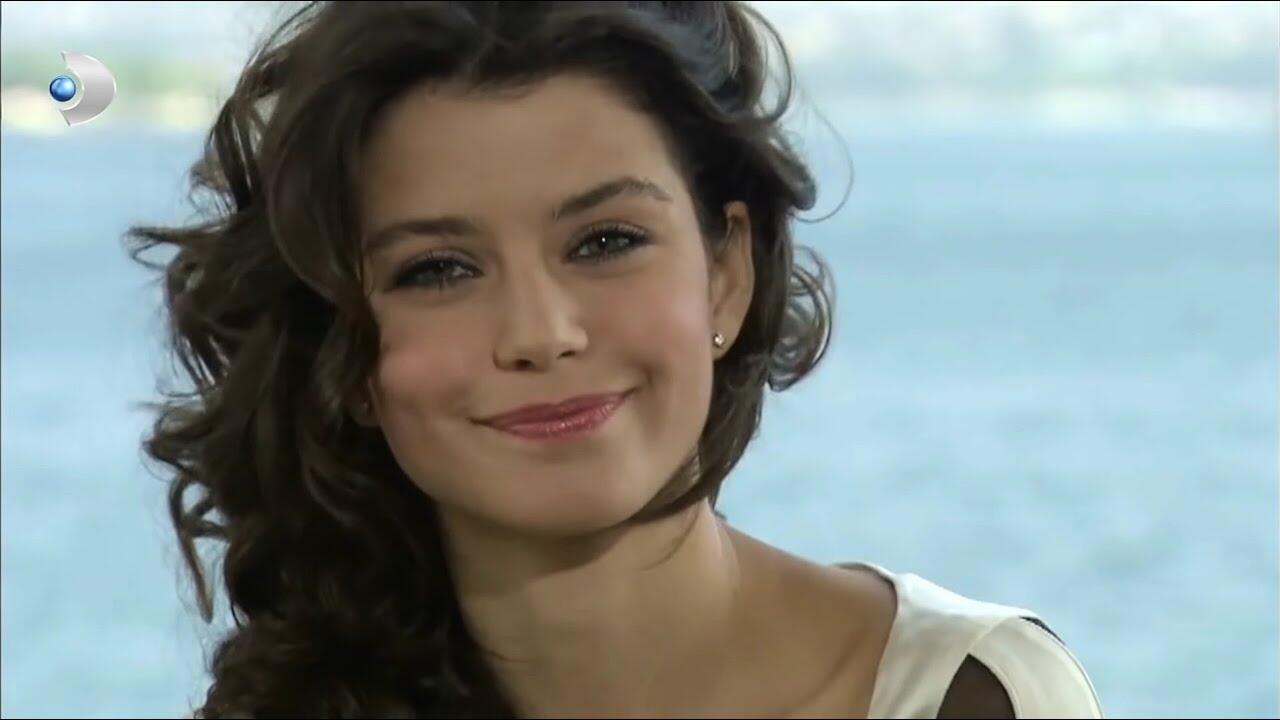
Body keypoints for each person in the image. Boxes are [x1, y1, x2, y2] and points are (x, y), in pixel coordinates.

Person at [126, 2, 1104, 717]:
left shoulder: (970, 697)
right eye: (439, 269)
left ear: (725, 273)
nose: (539, 332)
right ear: (344, 350)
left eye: (604, 242)